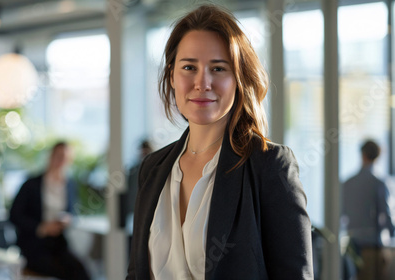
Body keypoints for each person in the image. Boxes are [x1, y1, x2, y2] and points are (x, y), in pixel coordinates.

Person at [127, 5, 313, 279]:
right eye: (189, 67)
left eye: (218, 68)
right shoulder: (153, 168)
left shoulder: (269, 166)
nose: (203, 82)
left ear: (238, 80)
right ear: (171, 76)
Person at [9, 141, 89, 280]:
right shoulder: (31, 184)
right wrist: (42, 227)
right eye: (58, 155)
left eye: (65, 157)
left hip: (58, 243)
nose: (60, 160)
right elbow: (14, 215)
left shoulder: (70, 184)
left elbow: (73, 212)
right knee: (61, 272)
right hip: (34, 244)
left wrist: (68, 219)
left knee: (81, 271)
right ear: (50, 156)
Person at [342, 140, 394, 280]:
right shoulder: (379, 183)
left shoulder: (347, 183)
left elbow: (342, 215)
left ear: (362, 154)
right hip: (373, 248)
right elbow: (386, 215)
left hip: (351, 247)